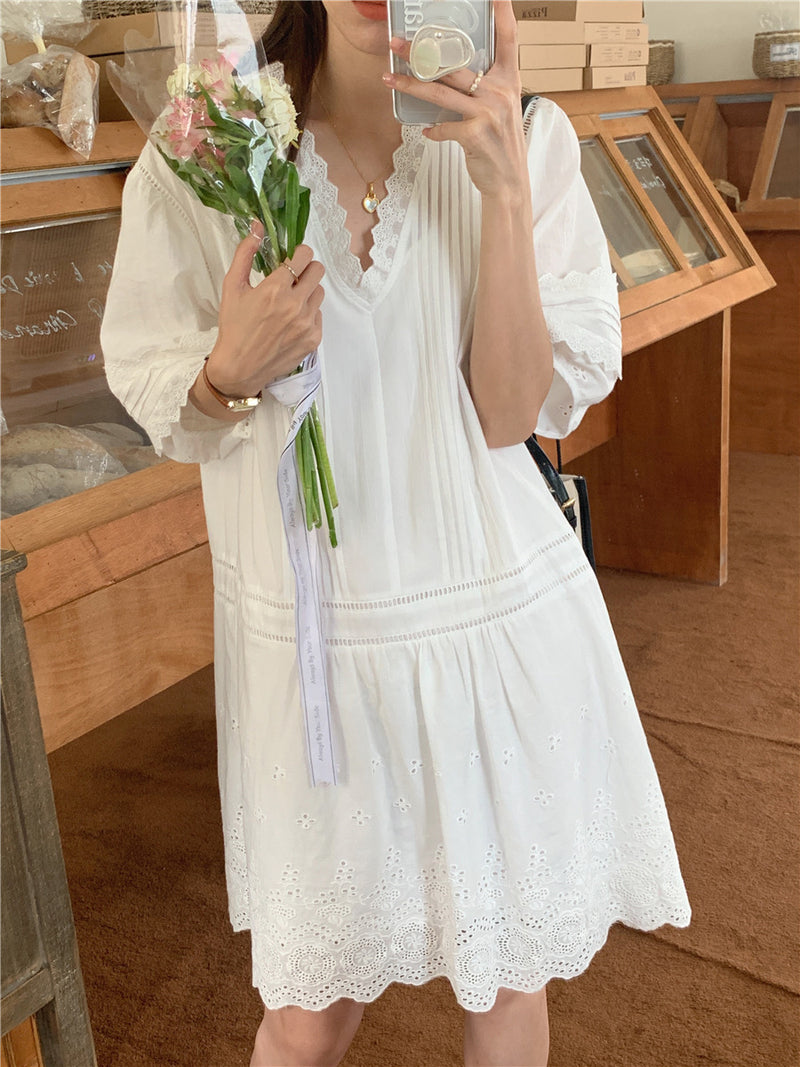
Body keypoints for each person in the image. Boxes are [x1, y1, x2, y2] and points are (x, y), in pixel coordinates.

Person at [101, 2, 692, 1064]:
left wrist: (503, 191)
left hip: (495, 620)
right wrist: (226, 371)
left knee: (504, 980)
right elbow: (155, 373)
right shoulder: (211, 140)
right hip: (319, 655)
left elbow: (512, 414)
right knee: (309, 1006)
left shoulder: (530, 137)